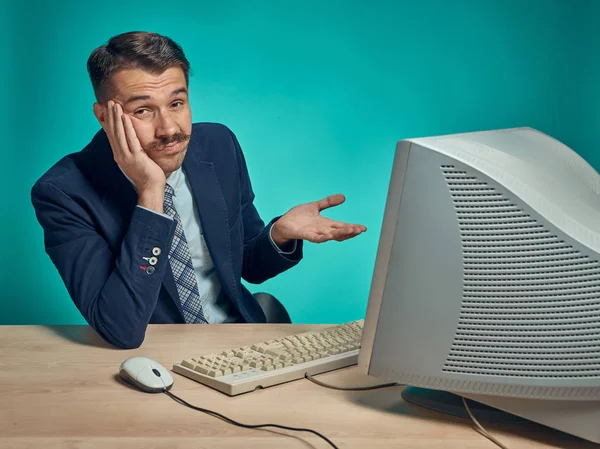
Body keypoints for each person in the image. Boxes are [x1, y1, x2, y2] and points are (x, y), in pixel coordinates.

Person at [31, 31, 367, 349]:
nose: (169, 129)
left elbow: (248, 266)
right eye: (143, 110)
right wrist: (151, 192)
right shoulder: (63, 193)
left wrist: (278, 234)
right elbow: (119, 327)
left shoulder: (218, 145)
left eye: (176, 103)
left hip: (236, 343)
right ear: (104, 116)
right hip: (152, 357)